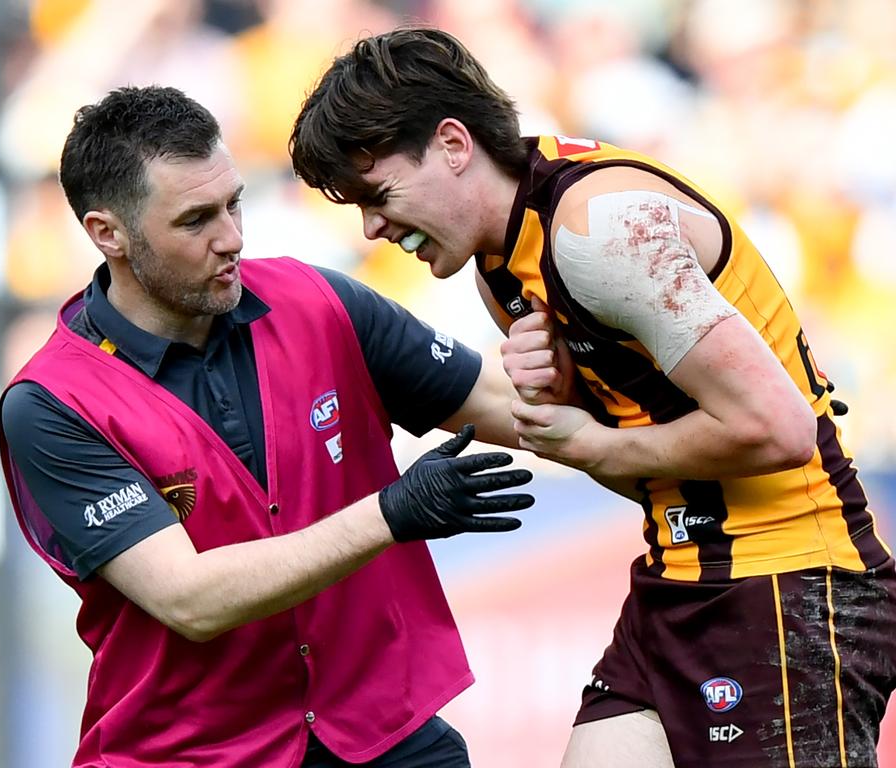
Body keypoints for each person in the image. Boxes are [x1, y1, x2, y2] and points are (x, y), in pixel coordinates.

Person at [289, 27, 896, 768]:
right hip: (676, 578)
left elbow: (779, 429)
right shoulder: (500, 268)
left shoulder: (601, 231)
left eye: (377, 195)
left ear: (453, 144)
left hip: (791, 581)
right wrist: (570, 414)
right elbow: (636, 468)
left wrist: (589, 441)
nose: (372, 227)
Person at [0, 85, 537, 768]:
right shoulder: (51, 403)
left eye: (234, 203)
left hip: (384, 733)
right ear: (109, 233)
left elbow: (522, 412)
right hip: (189, 755)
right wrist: (392, 512)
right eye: (196, 220)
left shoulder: (320, 300)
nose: (232, 237)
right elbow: (190, 599)